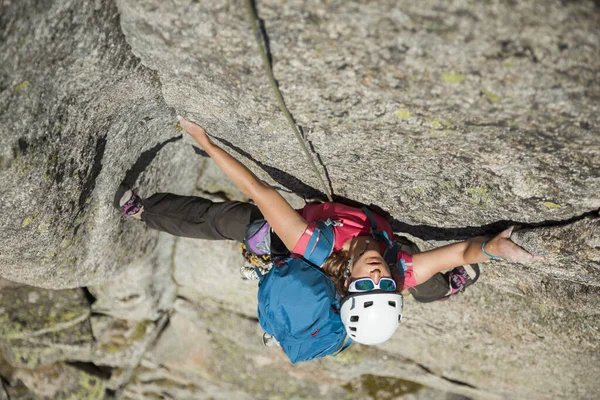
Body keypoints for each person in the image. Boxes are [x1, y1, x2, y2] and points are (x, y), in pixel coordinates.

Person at [119, 116, 536, 349]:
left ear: (347, 283)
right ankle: (444, 290)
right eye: (384, 283)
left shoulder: (315, 244)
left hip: (302, 241)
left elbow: (260, 191)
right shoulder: (399, 268)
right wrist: (493, 248)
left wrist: (206, 143)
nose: (376, 272)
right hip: (399, 257)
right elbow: (463, 252)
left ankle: (144, 212)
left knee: (227, 221)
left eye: (366, 284)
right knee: (425, 275)